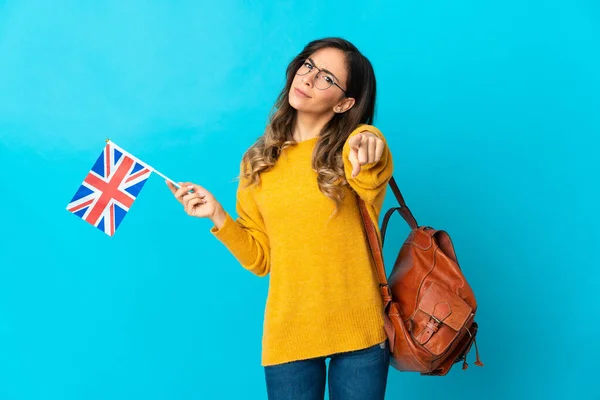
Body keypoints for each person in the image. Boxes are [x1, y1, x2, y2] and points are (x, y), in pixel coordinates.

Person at [167, 37, 393, 400]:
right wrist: (218, 215)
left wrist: (370, 139)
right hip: (289, 331)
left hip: (360, 329)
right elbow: (261, 259)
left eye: (326, 78)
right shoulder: (257, 161)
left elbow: (372, 161)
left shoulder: (355, 148)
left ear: (345, 103)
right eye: (308, 66)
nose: (308, 78)